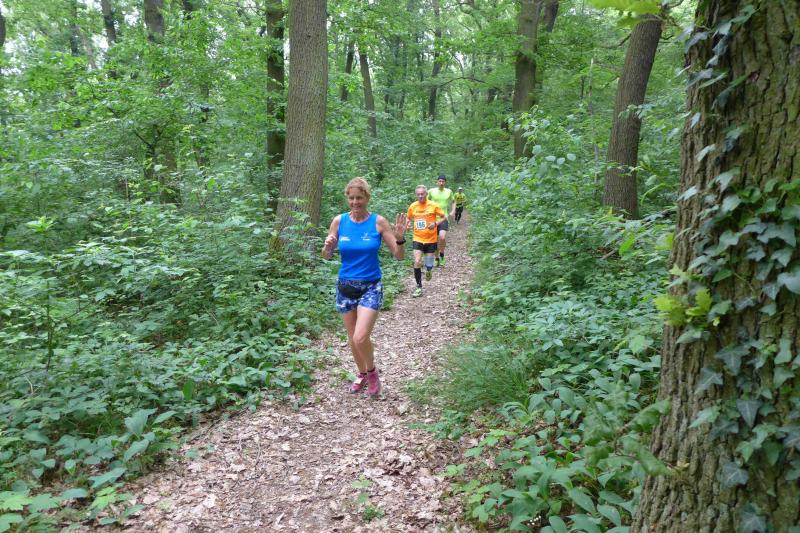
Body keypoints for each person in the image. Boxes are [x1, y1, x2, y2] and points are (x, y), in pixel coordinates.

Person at [322, 177, 408, 397]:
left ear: (367, 197)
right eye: (351, 198)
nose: (355, 202)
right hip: (345, 287)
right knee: (353, 338)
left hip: (370, 286)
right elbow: (326, 256)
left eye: (359, 198)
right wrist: (328, 247)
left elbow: (399, 256)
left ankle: (372, 373)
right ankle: (361, 373)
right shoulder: (339, 221)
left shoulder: (378, 222)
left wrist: (400, 239)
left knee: (361, 337)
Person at [407, 185, 444, 297]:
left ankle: (428, 270)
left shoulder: (433, 205)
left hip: (431, 239)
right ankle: (419, 287)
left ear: (426, 194)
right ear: (416, 195)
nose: (420, 196)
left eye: (422, 194)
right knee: (417, 261)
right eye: (418, 194)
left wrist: (435, 223)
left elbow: (443, 217)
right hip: (417, 238)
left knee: (429, 264)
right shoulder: (413, 206)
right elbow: (408, 218)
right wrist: (407, 224)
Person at [427, 174, 455, 267]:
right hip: (432, 219)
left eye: (443, 181)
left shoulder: (449, 191)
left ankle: (442, 254)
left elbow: (453, 201)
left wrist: (453, 211)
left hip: (443, 218)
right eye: (440, 181)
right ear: (437, 182)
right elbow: (424, 202)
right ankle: (436, 258)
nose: (441, 183)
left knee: (442, 237)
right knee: (434, 240)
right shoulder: (431, 191)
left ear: (445, 182)